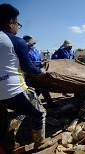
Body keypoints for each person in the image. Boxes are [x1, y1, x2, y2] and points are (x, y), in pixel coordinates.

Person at [0, 4, 55, 152]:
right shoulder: (17, 41)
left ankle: (8, 142)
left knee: (21, 111)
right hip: (14, 89)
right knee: (39, 112)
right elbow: (28, 68)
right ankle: (40, 142)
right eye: (18, 23)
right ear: (10, 23)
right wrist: (41, 71)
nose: (18, 27)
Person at [23, 35, 54, 107]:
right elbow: (28, 63)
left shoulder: (35, 50)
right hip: (30, 72)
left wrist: (42, 62)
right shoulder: (25, 51)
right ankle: (29, 105)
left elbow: (38, 59)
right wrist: (39, 63)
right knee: (38, 88)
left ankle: (50, 103)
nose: (33, 44)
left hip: (38, 71)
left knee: (42, 87)